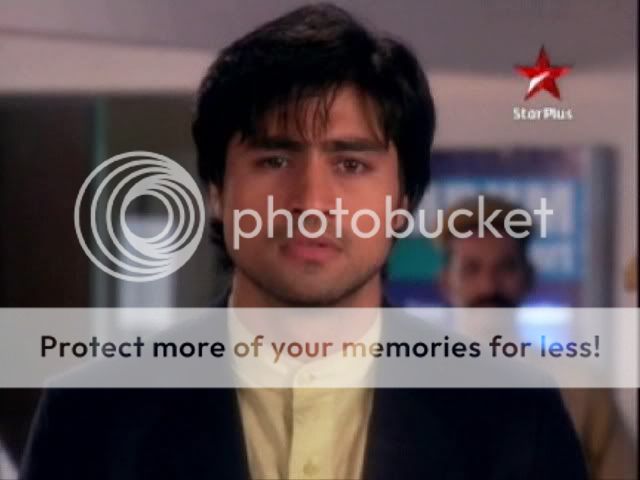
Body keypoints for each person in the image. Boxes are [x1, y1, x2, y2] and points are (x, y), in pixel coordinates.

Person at [21, 4, 586, 479]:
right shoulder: (93, 414)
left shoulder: (514, 416)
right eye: (274, 159)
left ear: (403, 200)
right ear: (216, 191)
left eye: (351, 164)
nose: (312, 203)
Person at [438, 195, 637, 479]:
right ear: (446, 282)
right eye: (471, 269)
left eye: (506, 268)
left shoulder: (579, 388)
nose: (489, 286)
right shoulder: (407, 389)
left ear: (528, 277)